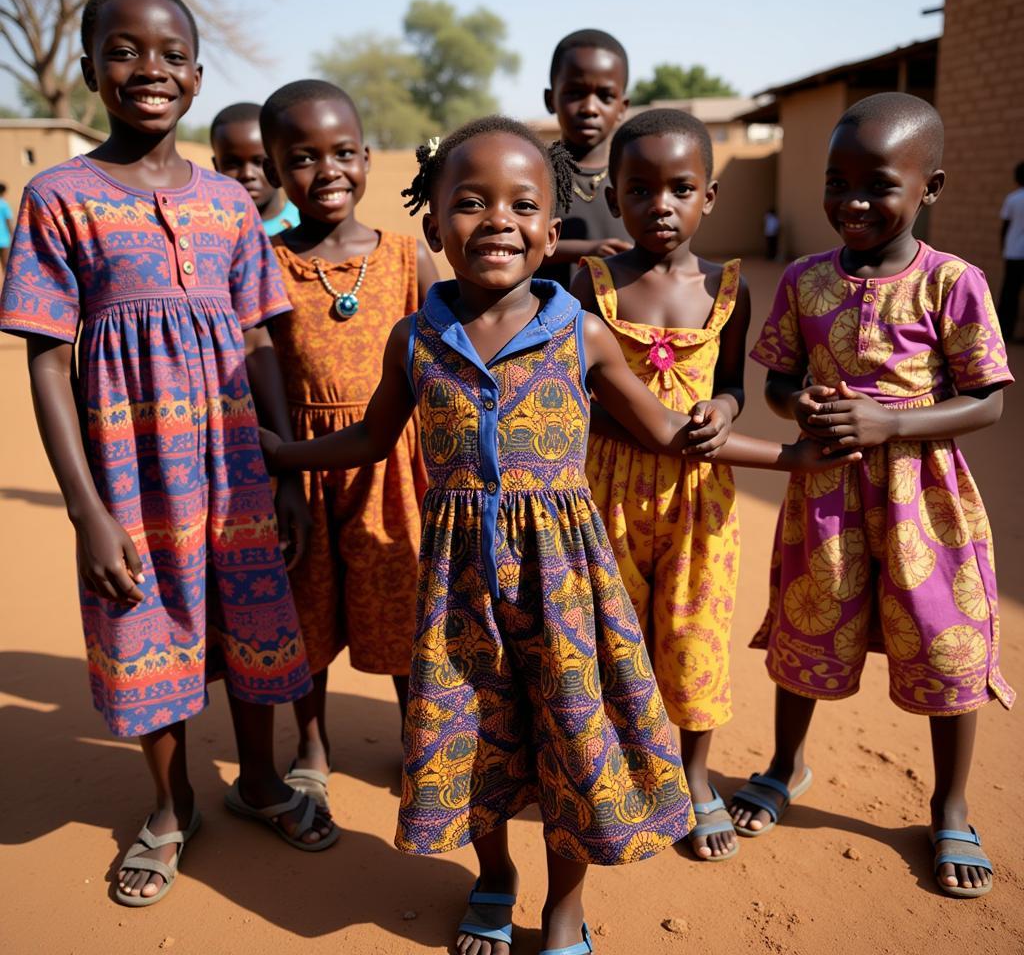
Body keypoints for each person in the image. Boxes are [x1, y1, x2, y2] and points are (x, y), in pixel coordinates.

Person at [259, 115, 859, 954]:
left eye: (522, 204)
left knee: (570, 734)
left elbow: (667, 433)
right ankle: (495, 875)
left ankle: (565, 904)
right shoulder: (416, 338)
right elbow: (367, 439)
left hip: (565, 579)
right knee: (470, 734)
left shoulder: (581, 333)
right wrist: (283, 451)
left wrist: (794, 456)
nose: (497, 219)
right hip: (459, 584)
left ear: (552, 234)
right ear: (433, 225)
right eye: (470, 202)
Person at [0, 0, 339, 908]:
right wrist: (85, 511)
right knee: (148, 626)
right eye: (123, 50)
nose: (148, 68)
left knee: (256, 621)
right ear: (88, 70)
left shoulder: (231, 206)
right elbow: (43, 361)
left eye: (169, 55)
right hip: (129, 473)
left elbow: (264, 336)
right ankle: (169, 802)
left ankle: (262, 782)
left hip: (234, 470)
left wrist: (286, 475)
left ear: (195, 78)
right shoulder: (56, 197)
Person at [732, 92, 1014, 900]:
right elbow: (779, 380)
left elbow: (987, 399)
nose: (852, 202)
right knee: (806, 625)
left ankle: (951, 802)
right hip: (825, 494)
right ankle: (786, 765)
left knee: (945, 639)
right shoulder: (803, 279)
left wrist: (891, 424)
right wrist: (802, 406)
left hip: (924, 497)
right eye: (837, 181)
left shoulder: (954, 284)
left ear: (930, 186)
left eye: (877, 185)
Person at [571, 109, 750, 863]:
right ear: (614, 198)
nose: (662, 205)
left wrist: (724, 408)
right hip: (607, 490)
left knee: (694, 637)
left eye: (681, 188)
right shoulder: (593, 283)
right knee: (614, 637)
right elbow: (577, 390)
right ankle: (623, 768)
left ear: (709, 196)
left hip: (700, 500)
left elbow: (735, 380)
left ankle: (696, 776)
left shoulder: (729, 286)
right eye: (640, 190)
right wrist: (643, 427)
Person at [258, 78, 438, 810]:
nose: (326, 170)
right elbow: (258, 363)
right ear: (274, 172)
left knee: (403, 597)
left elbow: (441, 360)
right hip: (302, 462)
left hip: (393, 463)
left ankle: (416, 736)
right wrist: (284, 482)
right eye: (302, 157)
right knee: (308, 607)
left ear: (367, 158)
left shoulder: (404, 257)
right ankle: (312, 744)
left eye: (342, 152)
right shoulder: (265, 262)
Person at [542, 29, 632, 290]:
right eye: (574, 93)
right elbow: (515, 245)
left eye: (605, 96)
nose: (590, 108)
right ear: (551, 99)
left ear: (622, 108)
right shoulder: (533, 174)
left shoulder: (635, 181)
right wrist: (586, 250)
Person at [210, 102, 301, 235]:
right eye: (233, 164)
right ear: (217, 166)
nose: (247, 174)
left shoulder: (306, 222)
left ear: (279, 162)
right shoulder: (210, 232)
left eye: (259, 162)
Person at [997, 160, 1024, 341]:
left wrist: (1003, 248)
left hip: (1014, 254)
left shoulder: (1013, 199)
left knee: (1009, 295)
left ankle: (1005, 332)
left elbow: (1005, 227)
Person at [0, 182, 13, 282]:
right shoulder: (4, 204)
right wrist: (13, 235)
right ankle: (6, 284)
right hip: (4, 238)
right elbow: (8, 221)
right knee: (5, 263)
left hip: (4, 237)